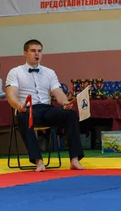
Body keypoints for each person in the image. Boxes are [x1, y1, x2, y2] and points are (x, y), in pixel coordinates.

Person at [5, 39, 85, 172]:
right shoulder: (15, 72)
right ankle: (38, 161)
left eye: (39, 51)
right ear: (25, 53)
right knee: (24, 117)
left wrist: (65, 102)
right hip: (27, 109)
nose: (37, 54)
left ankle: (74, 160)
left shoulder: (49, 72)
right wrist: (18, 105)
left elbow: (57, 92)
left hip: (46, 109)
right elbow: (11, 95)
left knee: (70, 115)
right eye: (33, 51)